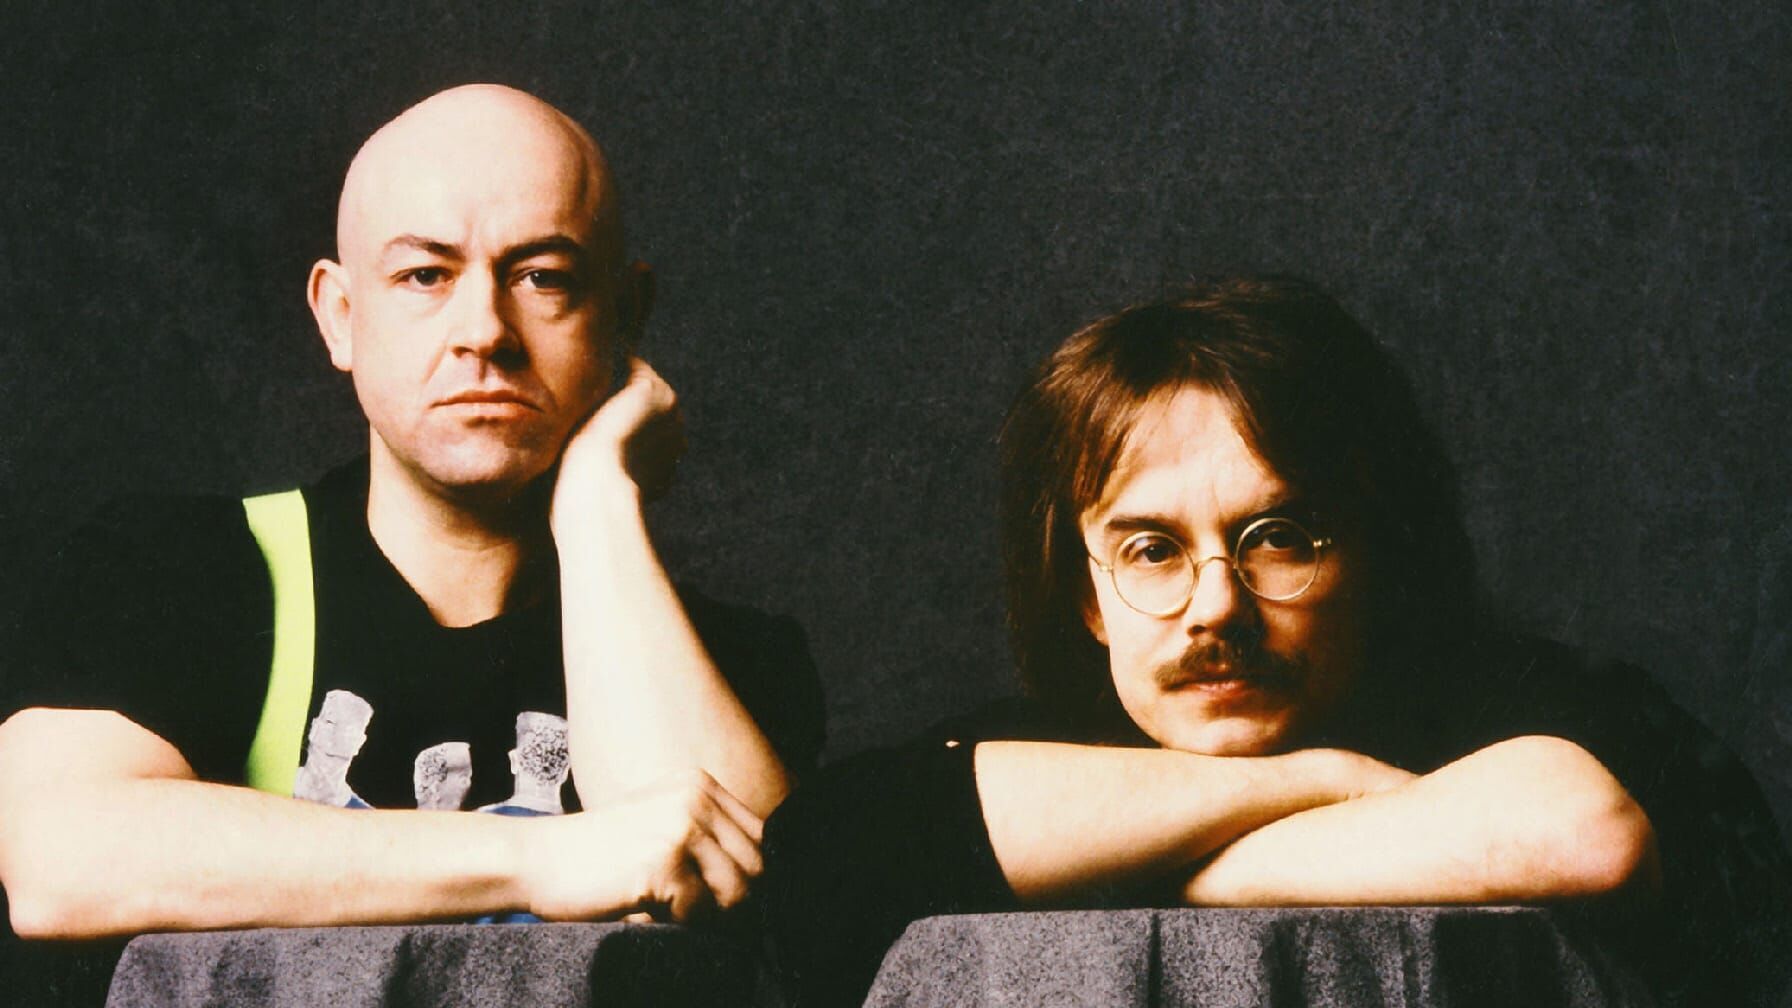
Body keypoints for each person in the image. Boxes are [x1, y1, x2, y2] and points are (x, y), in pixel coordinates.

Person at [0, 84, 822, 1005]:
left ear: (624, 312)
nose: (485, 333)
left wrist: (599, 497)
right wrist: (542, 858)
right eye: (426, 276)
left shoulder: (734, 659)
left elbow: (753, 909)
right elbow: (56, 858)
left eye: (544, 277)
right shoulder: (178, 570)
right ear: (339, 315)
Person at [760, 276, 1791, 1006]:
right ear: (1089, 599)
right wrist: (1320, 782)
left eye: (1278, 537)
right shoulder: (1053, 748)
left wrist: (1172, 871)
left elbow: (1584, 831)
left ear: (1373, 554)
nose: (1216, 606)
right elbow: (821, 856)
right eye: (1151, 550)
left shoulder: (1537, 701)